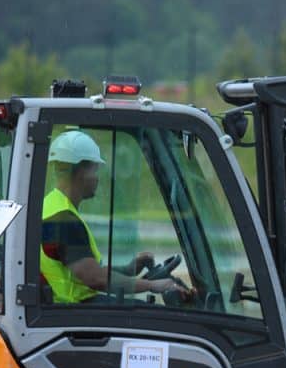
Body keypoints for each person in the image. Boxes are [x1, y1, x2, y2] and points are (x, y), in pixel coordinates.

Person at [39, 129, 189, 303]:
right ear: (80, 171)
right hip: (75, 311)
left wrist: (127, 269)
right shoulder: (63, 219)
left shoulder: (50, 206)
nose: (97, 178)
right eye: (95, 170)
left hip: (68, 308)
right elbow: (95, 278)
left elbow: (86, 268)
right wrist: (151, 285)